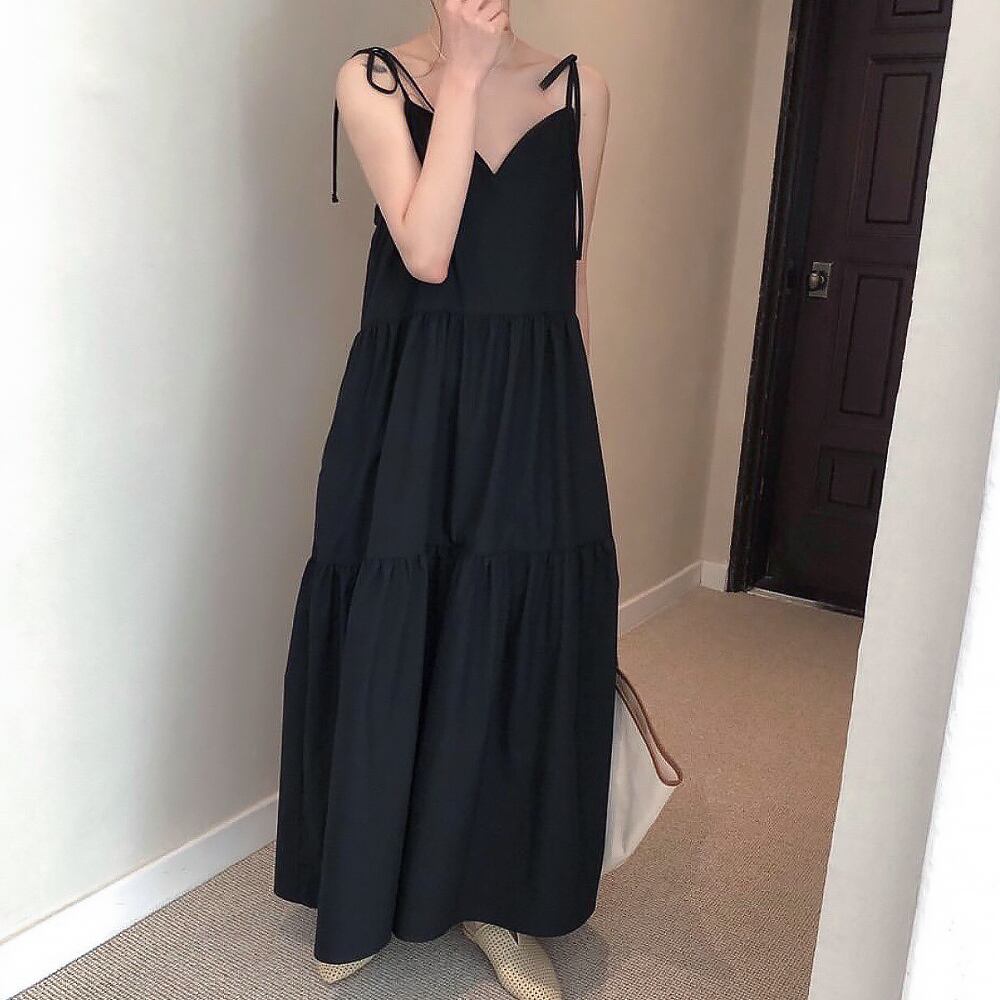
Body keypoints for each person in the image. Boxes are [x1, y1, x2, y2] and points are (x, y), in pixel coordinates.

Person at [273, 3, 616, 997]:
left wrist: (569, 436)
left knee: (507, 645)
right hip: (412, 405)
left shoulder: (583, 87)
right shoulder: (373, 79)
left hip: (534, 405)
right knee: (399, 630)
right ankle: (366, 890)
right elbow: (426, 251)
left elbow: (572, 271)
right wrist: (461, 77)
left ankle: (495, 897)